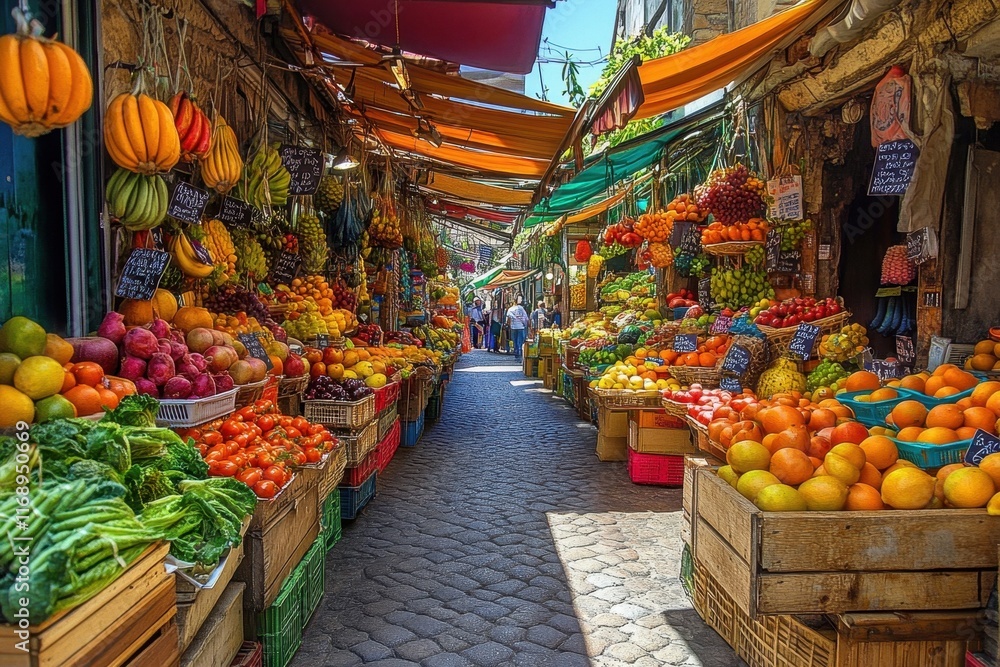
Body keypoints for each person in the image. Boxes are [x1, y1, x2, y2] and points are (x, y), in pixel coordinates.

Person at [506, 296, 529, 360]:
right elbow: (526, 318)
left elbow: (508, 319)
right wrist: (527, 325)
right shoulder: (521, 308)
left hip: (513, 327)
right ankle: (520, 353)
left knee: (515, 341)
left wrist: (508, 325)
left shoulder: (510, 309)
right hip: (521, 327)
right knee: (520, 341)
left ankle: (516, 353)